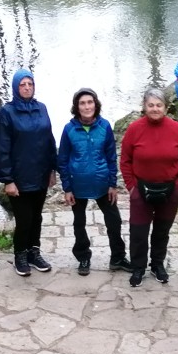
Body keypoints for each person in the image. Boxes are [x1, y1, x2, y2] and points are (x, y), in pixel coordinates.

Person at [120, 88, 178, 287]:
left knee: (162, 230)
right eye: (151, 105)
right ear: (144, 107)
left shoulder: (177, 129)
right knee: (138, 231)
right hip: (141, 189)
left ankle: (157, 264)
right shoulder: (134, 129)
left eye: (159, 105)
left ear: (166, 108)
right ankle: (138, 267)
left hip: (170, 189)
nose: (155, 109)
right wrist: (131, 187)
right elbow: (125, 160)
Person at [0, 69, 58, 277]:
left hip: (40, 173)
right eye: (23, 85)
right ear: (15, 87)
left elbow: (49, 140)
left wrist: (52, 169)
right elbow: (1, 148)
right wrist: (7, 180)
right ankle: (20, 255)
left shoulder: (42, 108)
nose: (27, 88)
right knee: (24, 219)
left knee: (37, 217)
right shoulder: (6, 113)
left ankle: (34, 252)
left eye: (30, 84)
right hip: (19, 177)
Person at [58, 88, 128, 276]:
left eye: (90, 102)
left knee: (114, 220)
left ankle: (118, 257)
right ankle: (83, 256)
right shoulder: (69, 129)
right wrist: (67, 188)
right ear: (77, 107)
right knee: (79, 222)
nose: (87, 106)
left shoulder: (104, 126)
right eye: (82, 103)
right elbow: (62, 160)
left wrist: (112, 184)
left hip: (102, 183)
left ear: (95, 105)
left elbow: (111, 156)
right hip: (78, 184)